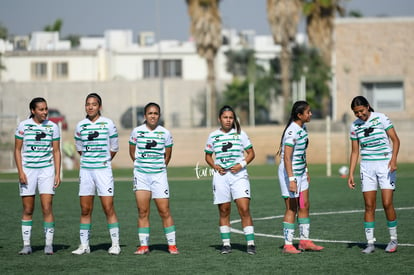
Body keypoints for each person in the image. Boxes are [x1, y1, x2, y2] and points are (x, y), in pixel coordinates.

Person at [347, 96, 400, 254]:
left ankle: (393, 239)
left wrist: (394, 160)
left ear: (368, 106)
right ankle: (370, 243)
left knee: (387, 203)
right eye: (356, 113)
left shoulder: (381, 118)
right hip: (367, 168)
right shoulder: (354, 126)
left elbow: (395, 140)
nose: (359, 115)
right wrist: (351, 174)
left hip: (385, 166)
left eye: (361, 111)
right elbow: (355, 151)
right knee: (369, 206)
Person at [72, 93, 121, 255]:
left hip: (103, 171)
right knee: (85, 209)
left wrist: (103, 161)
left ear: (99, 106)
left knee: (108, 207)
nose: (90, 107)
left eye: (94, 104)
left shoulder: (108, 124)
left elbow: (114, 148)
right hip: (86, 171)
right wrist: (90, 161)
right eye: (88, 104)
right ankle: (84, 245)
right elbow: (80, 148)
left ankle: (115, 245)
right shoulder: (80, 126)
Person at [204, 105, 256, 255]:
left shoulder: (241, 134)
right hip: (221, 177)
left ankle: (251, 243)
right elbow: (208, 156)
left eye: (231, 117)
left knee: (244, 209)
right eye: (225, 117)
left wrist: (241, 165)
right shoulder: (213, 135)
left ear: (234, 119)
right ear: (219, 119)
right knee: (224, 210)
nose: (228, 120)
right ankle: (226, 244)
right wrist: (215, 166)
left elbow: (251, 153)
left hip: (239, 176)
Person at [129, 102, 179, 255]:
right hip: (141, 176)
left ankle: (172, 246)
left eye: (155, 113)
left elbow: (168, 155)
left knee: (164, 211)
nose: (153, 116)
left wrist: (158, 169)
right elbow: (132, 153)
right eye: (150, 113)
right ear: (145, 116)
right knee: (143, 211)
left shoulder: (165, 133)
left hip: (159, 176)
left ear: (159, 116)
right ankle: (144, 246)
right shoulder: (136, 132)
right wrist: (142, 167)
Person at [14, 97, 61, 255]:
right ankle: (27, 245)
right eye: (41, 109)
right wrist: (21, 172)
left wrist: (57, 173)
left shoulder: (53, 127)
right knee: (28, 208)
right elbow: (17, 150)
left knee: (47, 207)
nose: (45, 112)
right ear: (33, 111)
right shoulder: (23, 126)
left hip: (46, 171)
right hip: (28, 171)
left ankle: (49, 245)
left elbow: (56, 151)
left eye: (46, 109)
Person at [276, 100, 324, 254]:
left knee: (304, 205)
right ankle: (288, 245)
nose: (310, 114)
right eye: (308, 112)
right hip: (290, 174)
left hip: (301, 173)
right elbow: (287, 158)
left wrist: (306, 170)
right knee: (292, 208)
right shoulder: (292, 131)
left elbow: (301, 153)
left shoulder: (303, 128)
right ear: (299, 115)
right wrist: (291, 179)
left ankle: (304, 241)